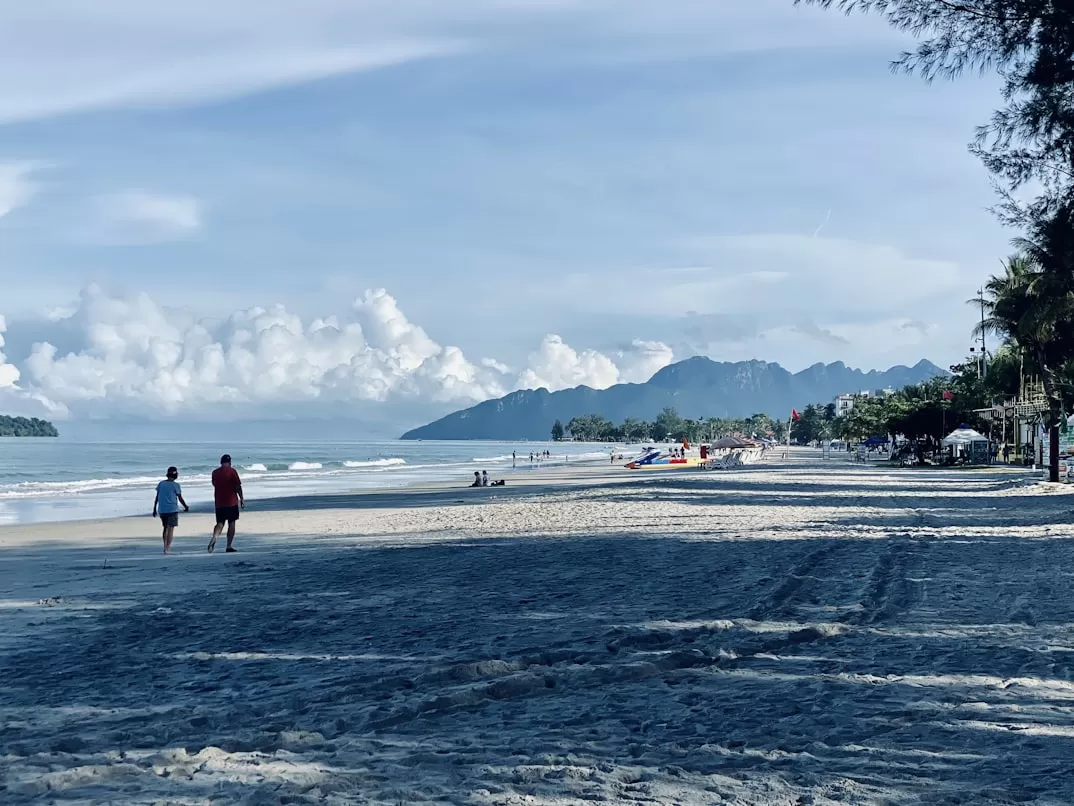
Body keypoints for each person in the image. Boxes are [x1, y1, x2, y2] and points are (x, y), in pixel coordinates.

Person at [209, 454, 244, 553]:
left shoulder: (215, 472)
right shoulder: (232, 471)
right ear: (230, 462)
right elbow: (238, 486)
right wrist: (241, 498)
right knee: (231, 522)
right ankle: (228, 546)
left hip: (219, 502)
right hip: (231, 501)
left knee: (220, 523)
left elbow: (214, 484)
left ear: (221, 462)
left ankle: (215, 536)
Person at [152, 466, 188, 555]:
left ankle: (165, 546)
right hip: (172, 509)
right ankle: (167, 548)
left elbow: (157, 497)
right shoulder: (176, 485)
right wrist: (185, 506)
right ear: (175, 475)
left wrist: (154, 508)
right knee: (171, 528)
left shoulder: (161, 484)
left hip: (162, 509)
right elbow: (180, 498)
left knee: (165, 528)